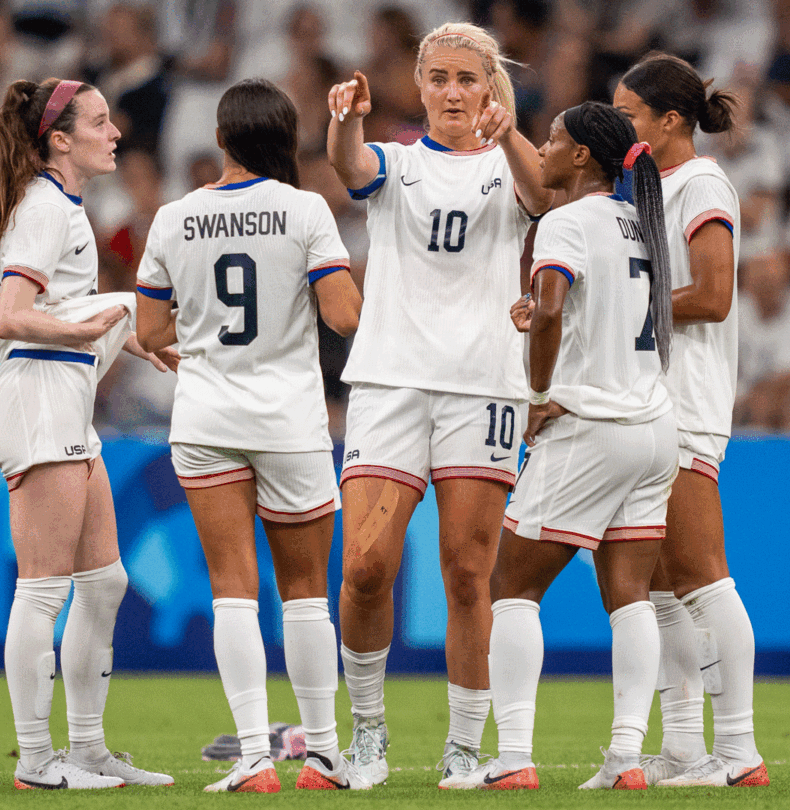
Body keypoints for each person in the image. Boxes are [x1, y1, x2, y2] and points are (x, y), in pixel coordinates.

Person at [324, 22, 552, 787]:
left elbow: (546, 193)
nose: (453, 92)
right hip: (392, 382)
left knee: (466, 574)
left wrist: (513, 133)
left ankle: (462, 747)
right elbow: (347, 163)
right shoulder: (395, 163)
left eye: (468, 79)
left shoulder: (511, 165)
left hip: (484, 386)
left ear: (490, 88)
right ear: (419, 88)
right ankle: (367, 734)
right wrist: (345, 118)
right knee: (364, 567)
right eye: (440, 79)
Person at [135, 78, 366, 793]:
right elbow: (344, 317)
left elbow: (148, 332)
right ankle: (324, 757)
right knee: (304, 593)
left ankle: (254, 762)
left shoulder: (175, 217)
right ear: (285, 138)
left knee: (232, 592)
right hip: (288, 420)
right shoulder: (305, 211)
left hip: (206, 417)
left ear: (223, 138)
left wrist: (201, 336)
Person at [0, 76, 177, 791]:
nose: (114, 131)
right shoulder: (43, 208)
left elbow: (56, 305)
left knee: (105, 581)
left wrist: (122, 318)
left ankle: (87, 748)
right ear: (59, 139)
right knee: (43, 590)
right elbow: (10, 317)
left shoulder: (58, 205)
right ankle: (36, 761)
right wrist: (94, 326)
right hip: (38, 399)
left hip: (63, 400)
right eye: (98, 121)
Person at [479, 102, 676, 791]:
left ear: (584, 157)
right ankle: (626, 758)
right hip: (653, 425)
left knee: (511, 587)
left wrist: (536, 397)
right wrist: (547, 314)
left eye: (555, 140)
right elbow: (601, 312)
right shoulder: (644, 222)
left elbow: (557, 307)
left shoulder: (565, 221)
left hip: (591, 425)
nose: (545, 149)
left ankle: (512, 759)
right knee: (629, 595)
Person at [613, 53, 768, 787]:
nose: (620, 126)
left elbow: (713, 295)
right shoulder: (652, 185)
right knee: (662, 587)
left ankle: (738, 752)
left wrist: (616, 305)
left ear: (669, 120)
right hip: (651, 399)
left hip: (688, 401)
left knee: (705, 578)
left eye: (629, 114)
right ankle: (684, 747)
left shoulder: (702, 182)